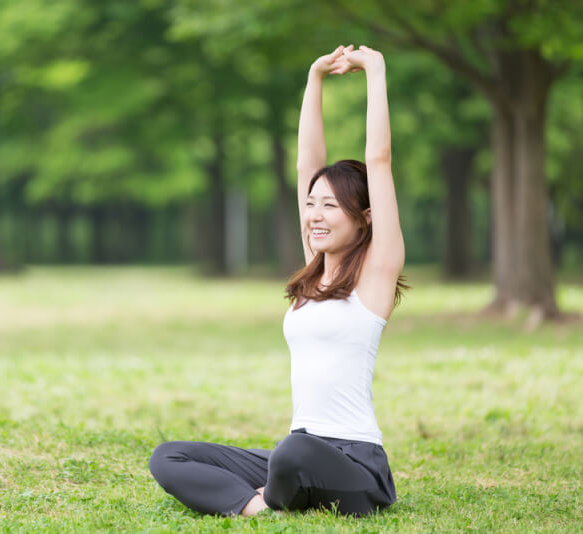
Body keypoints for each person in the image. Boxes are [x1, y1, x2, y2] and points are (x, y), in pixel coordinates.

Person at [148, 44, 407, 517]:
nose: (315, 215)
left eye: (331, 206)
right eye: (312, 205)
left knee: (292, 451)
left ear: (364, 218)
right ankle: (255, 506)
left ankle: (273, 496)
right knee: (168, 456)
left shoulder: (376, 276)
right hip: (299, 450)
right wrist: (314, 77)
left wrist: (375, 70)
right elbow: (306, 165)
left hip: (356, 466)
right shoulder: (314, 268)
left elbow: (381, 160)